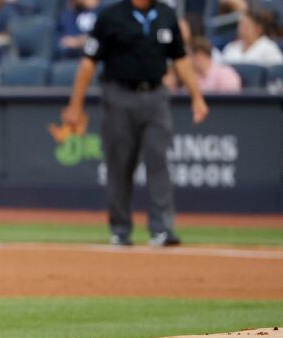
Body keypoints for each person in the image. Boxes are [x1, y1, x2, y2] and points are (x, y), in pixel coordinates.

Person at [62, 0, 209, 247]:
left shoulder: (166, 15)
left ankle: (162, 229)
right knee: (119, 164)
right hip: (119, 95)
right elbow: (89, 62)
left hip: (156, 95)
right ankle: (120, 230)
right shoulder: (110, 17)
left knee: (158, 159)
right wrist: (75, 105)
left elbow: (180, 58)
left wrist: (197, 96)